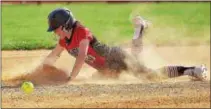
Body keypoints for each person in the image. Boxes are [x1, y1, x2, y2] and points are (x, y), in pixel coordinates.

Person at [43, 7, 208, 82]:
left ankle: (192, 70)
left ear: (65, 25)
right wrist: (42, 70)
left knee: (149, 76)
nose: (54, 32)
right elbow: (53, 56)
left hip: (116, 57)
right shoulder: (64, 40)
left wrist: (72, 77)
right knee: (101, 77)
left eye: (55, 28)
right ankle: (140, 30)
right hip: (108, 67)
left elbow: (81, 56)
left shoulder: (82, 32)